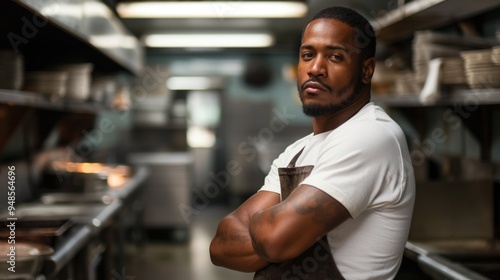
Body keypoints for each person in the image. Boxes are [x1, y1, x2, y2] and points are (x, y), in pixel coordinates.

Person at [209, 6, 415, 279]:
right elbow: (221, 246)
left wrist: (264, 224)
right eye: (308, 55)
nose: (315, 68)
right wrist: (276, 228)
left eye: (335, 57)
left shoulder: (372, 136)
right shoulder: (297, 151)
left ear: (367, 70)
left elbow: (275, 239)